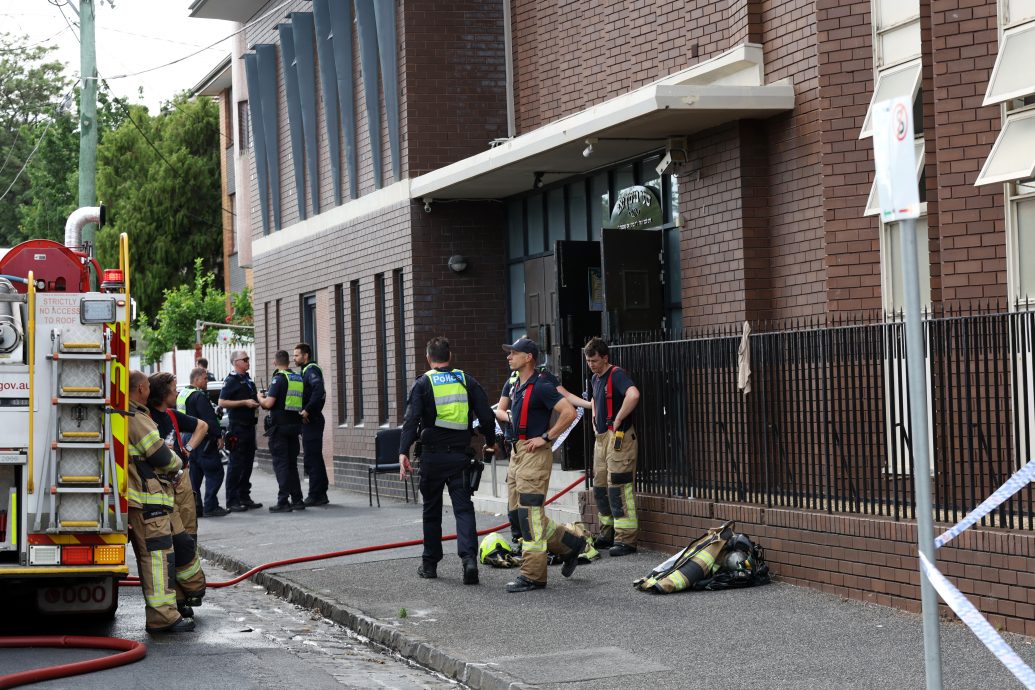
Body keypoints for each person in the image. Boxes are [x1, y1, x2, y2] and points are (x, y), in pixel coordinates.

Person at [399, 336, 496, 585]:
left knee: (431, 511)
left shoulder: (422, 383)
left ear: (428, 358)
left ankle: (430, 564)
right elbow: (486, 415)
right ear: (450, 357)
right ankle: (469, 561)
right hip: (459, 456)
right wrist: (490, 442)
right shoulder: (467, 380)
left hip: (432, 457)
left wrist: (403, 452)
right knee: (463, 510)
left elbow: (411, 420)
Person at [496, 337, 586, 593]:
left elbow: (568, 412)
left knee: (529, 515)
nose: (508, 357)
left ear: (529, 358)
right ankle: (570, 544)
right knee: (516, 514)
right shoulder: (517, 386)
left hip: (534, 456)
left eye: (513, 353)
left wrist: (547, 436)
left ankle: (533, 575)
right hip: (517, 454)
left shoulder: (542, 385)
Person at [127, 371, 202, 633]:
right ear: (140, 390)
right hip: (149, 502)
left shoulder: (130, 414)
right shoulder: (135, 417)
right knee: (157, 559)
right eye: (146, 386)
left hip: (147, 502)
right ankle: (163, 617)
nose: (148, 390)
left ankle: (182, 599)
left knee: (172, 549)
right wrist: (178, 461)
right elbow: (161, 455)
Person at [145, 372, 210, 621]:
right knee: (173, 542)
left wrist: (188, 450)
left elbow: (202, 426)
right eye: (174, 389)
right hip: (160, 486)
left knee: (188, 538)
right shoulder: (147, 419)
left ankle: (187, 597)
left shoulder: (172, 415)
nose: (177, 393)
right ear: (163, 393)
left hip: (181, 482)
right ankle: (178, 597)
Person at [584, 337, 642, 556]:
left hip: (619, 438)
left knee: (618, 488)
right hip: (601, 439)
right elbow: (593, 400)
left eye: (595, 360)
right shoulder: (595, 378)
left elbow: (633, 394)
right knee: (600, 488)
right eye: (589, 361)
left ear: (605, 358)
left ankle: (626, 540)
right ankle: (607, 533)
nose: (592, 364)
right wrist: (594, 417)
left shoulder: (616, 374)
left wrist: (617, 419)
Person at [258, 350, 305, 512]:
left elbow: (269, 404)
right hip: (294, 427)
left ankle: (283, 501)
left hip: (280, 429)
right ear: (289, 362)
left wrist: (259, 397)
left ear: (275, 362)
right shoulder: (297, 378)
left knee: (281, 465)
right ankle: (298, 499)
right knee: (291, 465)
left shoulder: (278, 379)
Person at [177, 367, 228, 518]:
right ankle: (211, 506)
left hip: (188, 439)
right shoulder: (199, 396)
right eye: (205, 379)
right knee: (215, 472)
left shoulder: (183, 394)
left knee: (195, 476)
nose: (207, 381)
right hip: (203, 439)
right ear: (197, 379)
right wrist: (219, 436)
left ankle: (196, 508)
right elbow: (209, 419)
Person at [218, 350, 263, 512]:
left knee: (248, 463)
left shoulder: (248, 379)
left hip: (250, 426)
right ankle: (232, 500)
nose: (248, 361)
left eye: (248, 359)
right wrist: (244, 402)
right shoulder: (231, 380)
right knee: (236, 464)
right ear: (236, 362)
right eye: (245, 359)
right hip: (238, 427)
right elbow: (222, 402)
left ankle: (244, 496)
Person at [293, 343, 330, 506]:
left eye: (297, 355)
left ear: (305, 355)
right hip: (310, 419)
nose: (295, 358)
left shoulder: (311, 370)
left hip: (312, 420)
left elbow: (318, 390)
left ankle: (315, 494)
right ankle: (321, 493)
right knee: (314, 457)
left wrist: (307, 410)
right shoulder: (305, 371)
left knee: (311, 458)